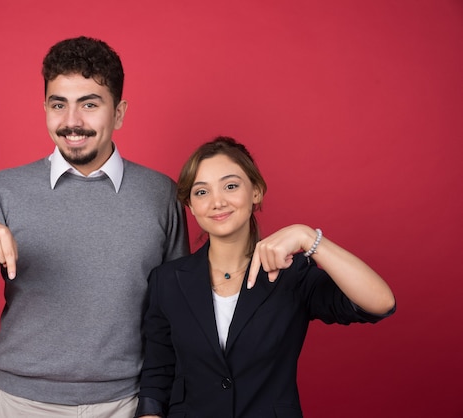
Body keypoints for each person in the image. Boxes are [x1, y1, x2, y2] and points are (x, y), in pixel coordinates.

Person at [0, 36, 189, 418]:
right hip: (21, 403)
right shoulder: (4, 190)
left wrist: (156, 404)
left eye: (89, 104)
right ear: (44, 109)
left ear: (118, 113)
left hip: (127, 402)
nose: (72, 122)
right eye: (59, 105)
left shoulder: (161, 194)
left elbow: (176, 315)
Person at [134, 136, 396, 418]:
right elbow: (156, 377)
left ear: (256, 191)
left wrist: (307, 237)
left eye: (231, 186)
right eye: (201, 192)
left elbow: (380, 303)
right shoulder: (168, 281)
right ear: (190, 205)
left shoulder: (292, 274)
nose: (217, 201)